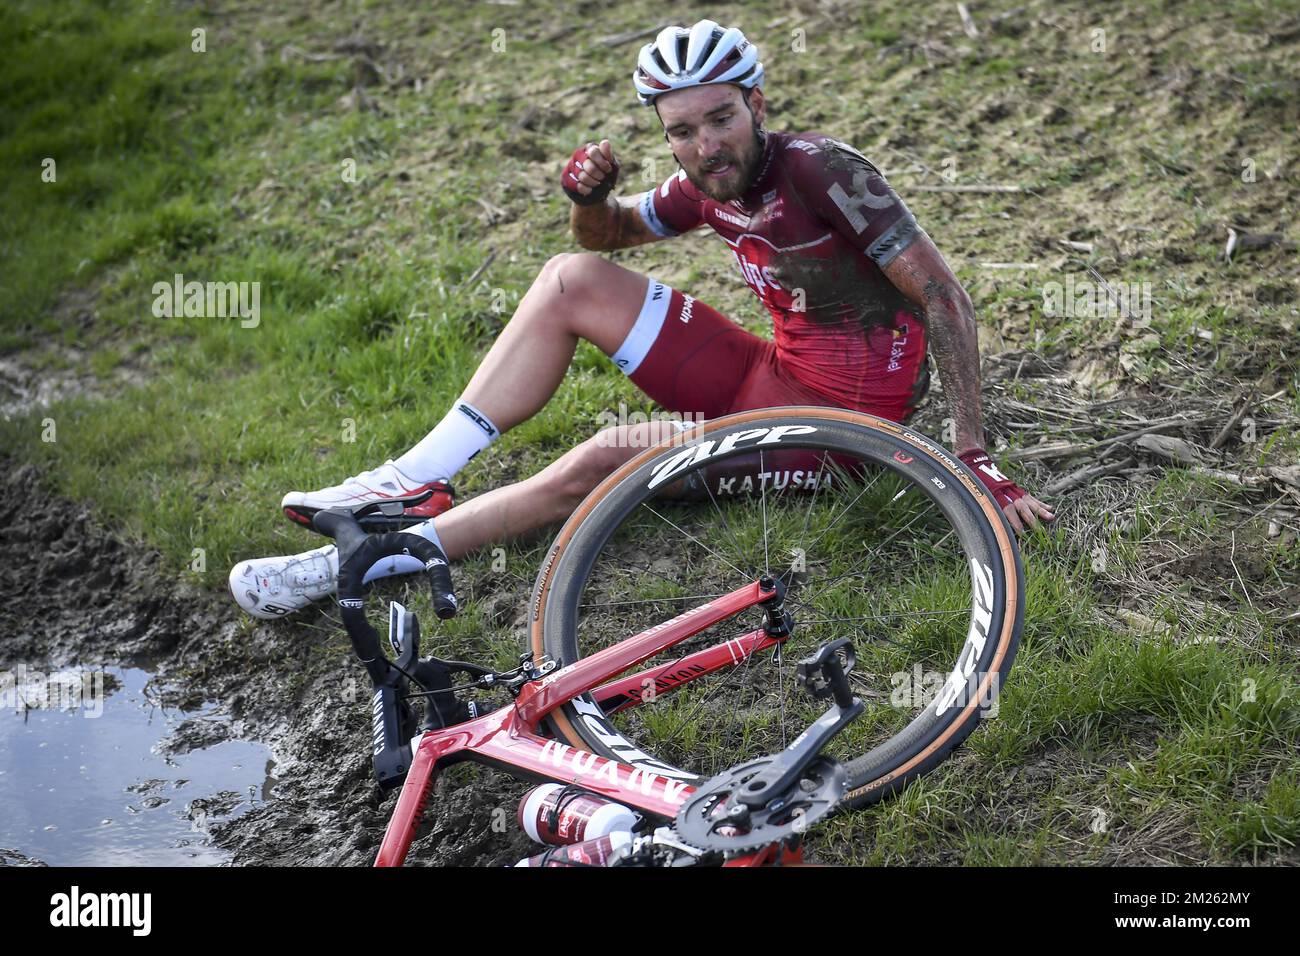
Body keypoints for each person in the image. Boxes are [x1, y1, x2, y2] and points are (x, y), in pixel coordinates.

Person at [230, 19, 1054, 620]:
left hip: (836, 427)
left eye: (721, 119)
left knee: (600, 458)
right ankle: (418, 476)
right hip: (768, 374)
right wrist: (589, 199)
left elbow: (944, 295)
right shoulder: (706, 181)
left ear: (756, 102)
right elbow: (610, 235)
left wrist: (972, 453)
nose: (706, 147)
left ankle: (355, 564)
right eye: (683, 132)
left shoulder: (819, 171)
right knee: (570, 279)